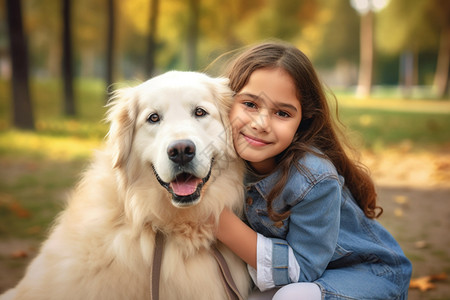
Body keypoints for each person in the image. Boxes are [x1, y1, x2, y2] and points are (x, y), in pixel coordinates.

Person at [215, 41, 412, 300]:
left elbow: (303, 270)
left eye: (282, 113)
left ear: (302, 121)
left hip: (365, 275)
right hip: (300, 279)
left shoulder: (313, 178)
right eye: (250, 104)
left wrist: (217, 220)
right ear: (227, 102)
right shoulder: (220, 161)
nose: (261, 124)